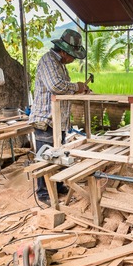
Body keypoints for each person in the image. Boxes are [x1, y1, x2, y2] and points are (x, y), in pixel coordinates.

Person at [29, 28, 89, 206]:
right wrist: (76, 86)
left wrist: (78, 90)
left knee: (58, 155)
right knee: (46, 156)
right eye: (73, 56)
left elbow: (63, 88)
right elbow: (55, 86)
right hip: (46, 119)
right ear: (63, 51)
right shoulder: (48, 61)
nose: (73, 60)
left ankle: (57, 184)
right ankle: (43, 191)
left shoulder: (60, 64)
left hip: (58, 120)